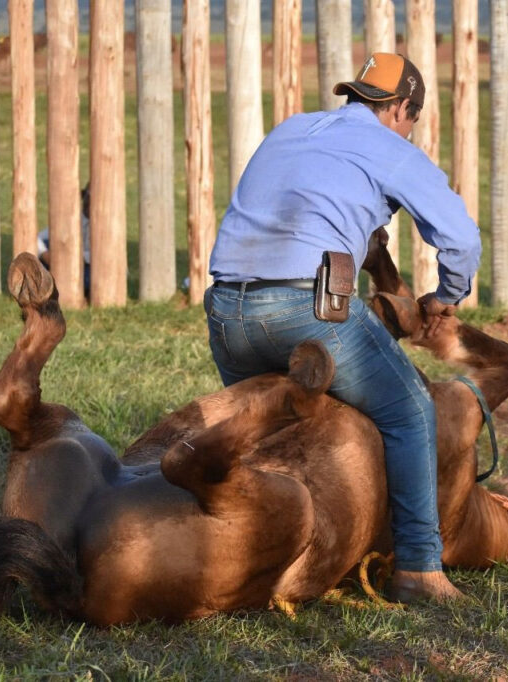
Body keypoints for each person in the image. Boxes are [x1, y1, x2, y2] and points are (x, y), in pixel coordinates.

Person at [205, 53, 482, 603]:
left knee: (276, 433)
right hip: (307, 309)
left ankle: (255, 549)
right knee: (409, 411)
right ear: (403, 108)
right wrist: (445, 296)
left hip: (226, 311)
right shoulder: (391, 148)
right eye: (411, 118)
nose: (408, 128)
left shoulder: (291, 128)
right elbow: (461, 240)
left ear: (355, 95)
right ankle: (420, 569)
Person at [37, 183, 92, 298]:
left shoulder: (108, 225)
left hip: (87, 267)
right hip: (66, 264)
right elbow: (38, 238)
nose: (90, 201)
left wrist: (75, 257)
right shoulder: (73, 218)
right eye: (88, 196)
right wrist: (44, 254)